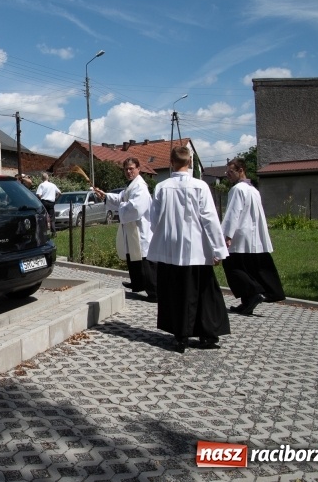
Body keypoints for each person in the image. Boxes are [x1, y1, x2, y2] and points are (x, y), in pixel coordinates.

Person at [147, 146, 230, 353]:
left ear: (171, 162)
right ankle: (207, 334)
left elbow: (154, 220)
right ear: (190, 162)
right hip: (197, 249)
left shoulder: (161, 187)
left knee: (175, 293)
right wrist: (218, 250)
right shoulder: (200, 186)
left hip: (171, 250)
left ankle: (180, 336)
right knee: (203, 292)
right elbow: (210, 219)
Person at [221, 157, 285, 316]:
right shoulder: (253, 190)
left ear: (241, 170)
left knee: (232, 267)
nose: (228, 175)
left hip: (240, 235)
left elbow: (232, 214)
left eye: (231, 172)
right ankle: (247, 302)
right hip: (253, 235)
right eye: (227, 172)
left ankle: (254, 292)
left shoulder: (237, 189)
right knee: (247, 269)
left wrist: (226, 235)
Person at [93, 157, 157, 301]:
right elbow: (121, 198)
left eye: (131, 168)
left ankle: (154, 292)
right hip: (132, 229)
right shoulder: (131, 186)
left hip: (141, 230)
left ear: (138, 169)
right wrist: (105, 196)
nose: (128, 172)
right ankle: (138, 283)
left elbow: (135, 208)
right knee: (134, 258)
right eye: (126, 169)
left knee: (145, 261)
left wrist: (122, 206)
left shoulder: (140, 187)